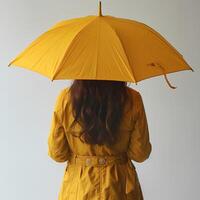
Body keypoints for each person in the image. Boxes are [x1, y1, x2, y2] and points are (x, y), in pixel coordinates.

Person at [47, 80, 152, 200]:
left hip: (78, 189)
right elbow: (140, 154)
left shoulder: (65, 99)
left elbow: (57, 154)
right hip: (119, 188)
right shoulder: (133, 99)